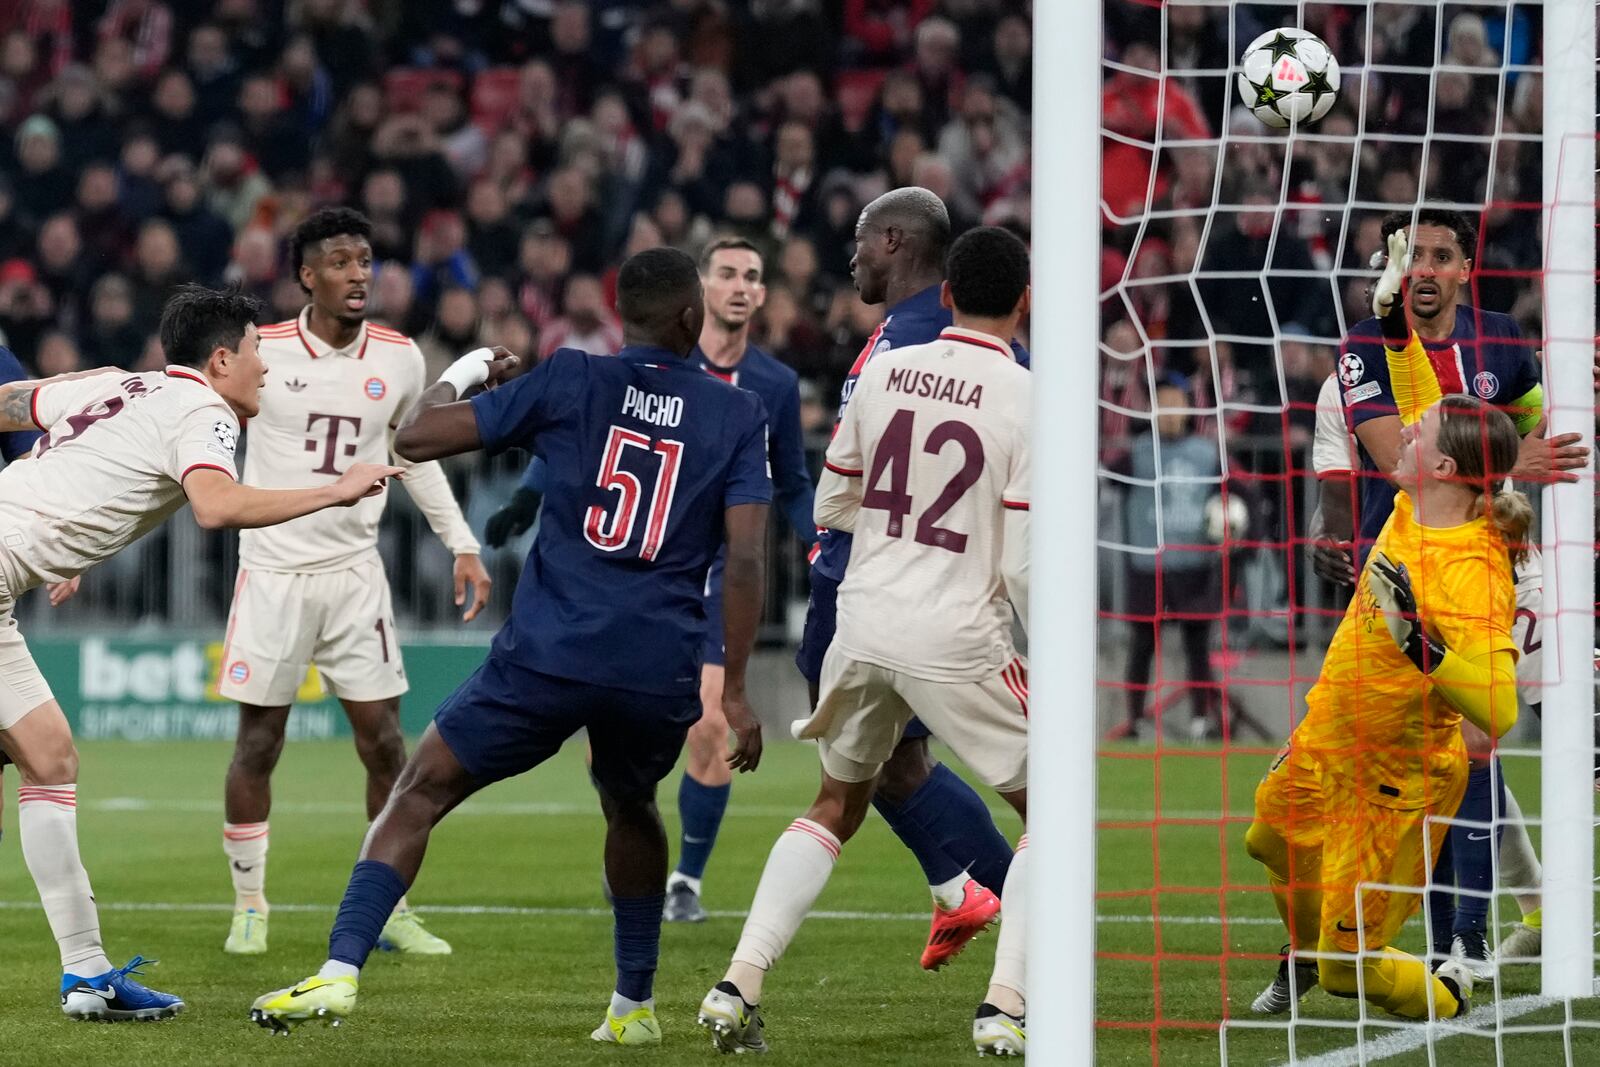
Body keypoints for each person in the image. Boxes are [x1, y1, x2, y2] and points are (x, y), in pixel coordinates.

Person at [249, 248, 772, 1046]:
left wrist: (468, 370)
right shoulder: (736, 415)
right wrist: (733, 688)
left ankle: (342, 968)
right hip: (658, 663)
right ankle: (632, 1008)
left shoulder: (571, 378)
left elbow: (418, 436)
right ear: (692, 319)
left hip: (549, 652)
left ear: (617, 312)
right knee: (631, 803)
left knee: (418, 788)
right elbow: (744, 559)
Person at [0, 283, 400, 1021]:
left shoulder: (113, 383)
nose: (265, 371)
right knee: (48, 758)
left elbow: (13, 404)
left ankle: (87, 975)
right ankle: (86, 974)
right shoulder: (205, 412)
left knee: (49, 757)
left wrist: (61, 515)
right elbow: (216, 506)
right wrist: (335, 491)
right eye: (255, 354)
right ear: (220, 359)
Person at [699, 227, 1032, 1058]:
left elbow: (830, 506)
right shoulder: (1027, 394)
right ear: (1025, 303)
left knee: (835, 804)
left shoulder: (883, 368)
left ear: (946, 294)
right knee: (1056, 810)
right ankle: (1006, 1004)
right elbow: (1025, 561)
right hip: (956, 630)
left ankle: (736, 981)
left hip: (863, 616)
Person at [1245, 230, 1526, 1022]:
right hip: (1333, 732)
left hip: (1396, 778)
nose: (1404, 432)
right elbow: (1411, 384)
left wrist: (1421, 642)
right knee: (1268, 839)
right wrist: (1393, 317)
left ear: (1443, 468)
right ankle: (1304, 953)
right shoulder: (1414, 500)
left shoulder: (1471, 565)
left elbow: (1501, 706)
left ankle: (1444, 1005)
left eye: (1419, 434)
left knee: (1350, 973)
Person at [216, 208, 489, 958]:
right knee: (259, 742)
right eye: (340, 261)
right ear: (307, 275)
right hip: (272, 572)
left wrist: (461, 542)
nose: (358, 274)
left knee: (385, 745)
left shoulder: (401, 358)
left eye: (366, 260)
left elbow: (418, 454)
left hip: (353, 577)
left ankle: (390, 906)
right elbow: (196, 435)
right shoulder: (258, 349)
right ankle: (249, 904)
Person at [1324, 211, 1579, 976]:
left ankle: (1470, 935)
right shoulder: (1366, 346)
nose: (1426, 269)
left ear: (1467, 266)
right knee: (1451, 750)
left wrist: (1527, 439)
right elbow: (1392, 446)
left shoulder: (1503, 337)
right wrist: (1509, 451)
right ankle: (1517, 912)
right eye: (1413, 256)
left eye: (1442, 254)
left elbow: (1541, 433)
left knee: (1493, 735)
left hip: (1502, 562)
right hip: (1406, 565)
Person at [796, 186, 1024, 971]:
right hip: (879, 579)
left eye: (861, 238)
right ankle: (961, 889)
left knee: (875, 770)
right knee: (888, 763)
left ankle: (1009, 905)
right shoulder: (901, 330)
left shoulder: (930, 342)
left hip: (892, 586)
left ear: (893, 240)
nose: (851, 253)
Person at [662, 236, 815, 923]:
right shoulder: (665, 362)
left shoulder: (775, 384)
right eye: (726, 272)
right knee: (617, 735)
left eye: (752, 276)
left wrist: (823, 540)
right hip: (653, 563)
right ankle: (633, 842)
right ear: (701, 284)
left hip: (727, 568)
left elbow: (794, 483)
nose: (740, 285)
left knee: (708, 721)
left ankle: (684, 880)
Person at [1111, 373, 1227, 741]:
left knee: (1197, 648)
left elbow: (1242, 493)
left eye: (1176, 403)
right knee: (1141, 647)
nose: (1170, 413)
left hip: (1194, 565)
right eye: (1163, 404)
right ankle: (1136, 721)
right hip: (1148, 566)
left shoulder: (1208, 454)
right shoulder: (1135, 453)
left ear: (1189, 408)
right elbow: (1102, 477)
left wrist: (1237, 526)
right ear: (1151, 410)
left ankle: (1200, 720)